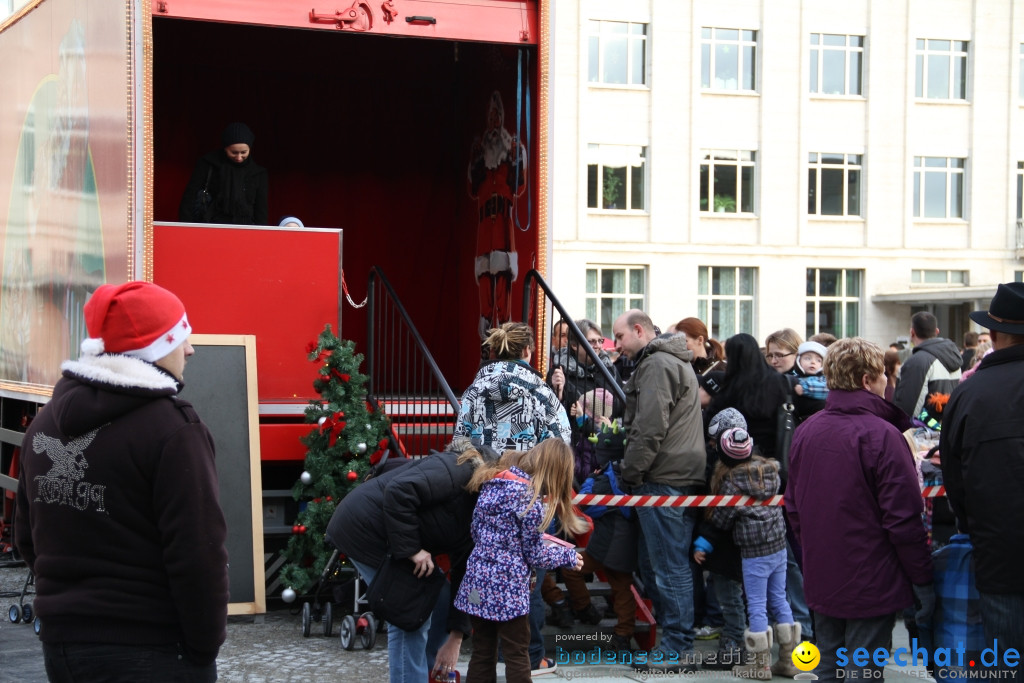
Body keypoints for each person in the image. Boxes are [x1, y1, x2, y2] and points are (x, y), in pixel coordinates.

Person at [14, 281, 229, 682]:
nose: (190, 349)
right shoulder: (173, 429)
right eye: (180, 336)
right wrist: (203, 648)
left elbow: (29, 539)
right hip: (154, 648)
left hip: (63, 648)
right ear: (152, 347)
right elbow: (198, 555)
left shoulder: (43, 424)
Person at [786, 337, 934, 681]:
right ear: (868, 380)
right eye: (883, 374)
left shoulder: (808, 431)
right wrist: (922, 579)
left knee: (827, 666)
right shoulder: (883, 435)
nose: (887, 381)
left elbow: (794, 508)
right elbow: (904, 520)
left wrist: (813, 553)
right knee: (862, 669)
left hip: (824, 572)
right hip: (873, 577)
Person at [325, 437, 498, 683]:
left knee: (441, 598)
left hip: (387, 535)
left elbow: (466, 579)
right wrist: (413, 550)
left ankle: (428, 673)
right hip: (363, 529)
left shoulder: (482, 509)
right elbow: (399, 491)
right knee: (410, 616)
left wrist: (456, 638)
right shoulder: (456, 468)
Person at [612, 309, 706, 672]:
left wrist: (630, 472)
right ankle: (677, 643)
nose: (616, 345)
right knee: (669, 566)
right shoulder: (670, 362)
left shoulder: (656, 365)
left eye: (619, 337)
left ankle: (677, 647)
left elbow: (649, 427)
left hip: (663, 476)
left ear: (639, 330)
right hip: (674, 473)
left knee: (668, 568)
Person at [940, 282, 1024, 678]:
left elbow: (955, 484)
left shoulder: (970, 393)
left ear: (992, 336)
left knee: (1007, 663)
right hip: (997, 551)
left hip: (999, 555)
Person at [455, 441, 586, 683]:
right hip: (508, 590)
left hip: (476, 583)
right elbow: (534, 554)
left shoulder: (492, 484)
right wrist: (567, 556)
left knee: (482, 652)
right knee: (517, 653)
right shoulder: (530, 500)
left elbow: (475, 531)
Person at [697, 427, 800, 679]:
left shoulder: (732, 482)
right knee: (779, 600)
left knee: (756, 605)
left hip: (754, 553)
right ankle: (789, 659)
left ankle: (759, 665)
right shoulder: (772, 471)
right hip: (778, 548)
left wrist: (703, 541)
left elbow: (722, 520)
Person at [455, 322, 570, 452]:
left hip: (481, 471)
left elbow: (460, 443)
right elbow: (560, 444)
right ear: (526, 349)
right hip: (525, 471)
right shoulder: (542, 394)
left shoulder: (473, 392)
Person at [468, 90, 527, 340]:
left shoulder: (511, 148)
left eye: (497, 115)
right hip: (485, 225)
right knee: (484, 275)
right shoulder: (480, 151)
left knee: (501, 275)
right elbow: (473, 187)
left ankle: (503, 327)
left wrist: (515, 158)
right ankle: (486, 327)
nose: (494, 119)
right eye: (490, 115)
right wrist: (477, 159)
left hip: (503, 223)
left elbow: (519, 185)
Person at [178, 122, 268, 225]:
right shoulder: (208, 164)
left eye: (243, 152)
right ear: (225, 148)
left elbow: (261, 212)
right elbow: (189, 198)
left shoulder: (258, 173)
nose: (239, 157)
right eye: (234, 152)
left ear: (250, 149)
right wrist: (186, 228)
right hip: (209, 226)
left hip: (245, 229)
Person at [892, 311, 962, 419]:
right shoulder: (954, 356)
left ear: (912, 332)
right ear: (937, 331)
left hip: (923, 432)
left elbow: (905, 410)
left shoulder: (917, 362)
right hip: (948, 429)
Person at [792, 340, 828, 420]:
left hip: (817, 418)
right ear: (799, 361)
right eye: (807, 358)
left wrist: (805, 388)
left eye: (818, 360)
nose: (813, 362)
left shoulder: (823, 379)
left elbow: (826, 389)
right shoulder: (794, 377)